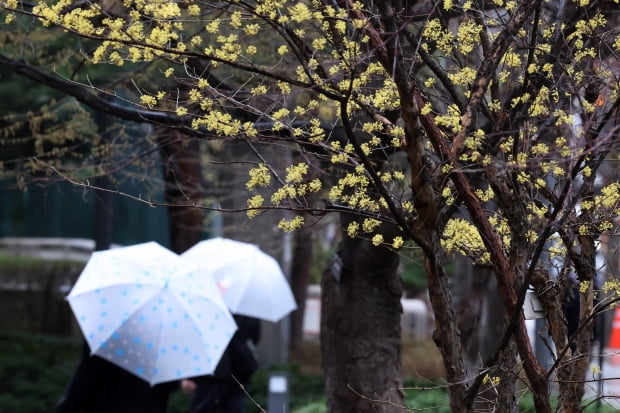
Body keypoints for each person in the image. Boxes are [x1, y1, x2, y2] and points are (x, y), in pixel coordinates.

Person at [55, 342, 178, 413]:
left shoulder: (106, 333)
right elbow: (171, 384)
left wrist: (65, 407)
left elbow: (84, 380)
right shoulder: (165, 341)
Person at [182, 314, 261, 413]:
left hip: (220, 369)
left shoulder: (208, 306)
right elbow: (255, 335)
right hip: (229, 369)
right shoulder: (245, 307)